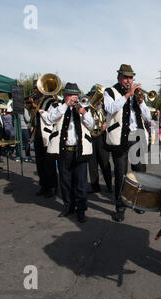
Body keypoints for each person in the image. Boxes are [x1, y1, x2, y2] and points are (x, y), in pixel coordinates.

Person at [103, 64, 151, 222]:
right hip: (120, 137)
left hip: (137, 137)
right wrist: (127, 95)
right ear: (119, 78)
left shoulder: (137, 95)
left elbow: (148, 117)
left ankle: (138, 202)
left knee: (140, 174)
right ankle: (120, 206)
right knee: (120, 174)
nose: (128, 80)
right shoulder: (110, 92)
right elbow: (110, 108)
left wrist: (141, 101)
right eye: (125, 77)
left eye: (130, 77)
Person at [41, 83, 95, 223]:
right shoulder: (57, 107)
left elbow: (92, 126)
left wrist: (83, 113)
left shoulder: (85, 107)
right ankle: (68, 206)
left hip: (80, 150)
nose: (74, 98)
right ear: (65, 95)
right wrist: (65, 105)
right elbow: (49, 119)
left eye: (75, 95)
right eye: (71, 95)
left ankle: (81, 209)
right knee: (65, 181)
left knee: (81, 183)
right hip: (64, 150)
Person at [30, 80, 58, 198]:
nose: (35, 91)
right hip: (37, 134)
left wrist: (38, 108)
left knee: (49, 163)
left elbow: (51, 118)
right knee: (39, 162)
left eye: (36, 88)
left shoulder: (51, 101)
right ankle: (44, 185)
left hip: (47, 134)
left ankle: (52, 186)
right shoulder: (39, 101)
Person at [86, 85, 112, 194]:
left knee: (104, 162)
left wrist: (106, 123)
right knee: (92, 163)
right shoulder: (88, 107)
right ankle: (94, 186)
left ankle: (109, 185)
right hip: (91, 137)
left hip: (102, 137)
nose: (94, 97)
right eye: (92, 95)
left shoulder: (106, 108)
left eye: (95, 95)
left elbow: (113, 118)